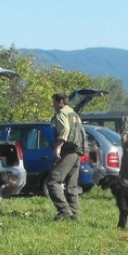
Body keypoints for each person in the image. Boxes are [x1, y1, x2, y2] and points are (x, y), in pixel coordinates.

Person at [48, 93, 85, 221]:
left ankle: (64, 210)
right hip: (78, 152)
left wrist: (58, 147)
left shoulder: (61, 114)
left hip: (67, 150)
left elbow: (65, 129)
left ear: (60, 102)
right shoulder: (74, 114)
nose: (53, 105)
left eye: (54, 102)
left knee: (53, 181)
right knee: (71, 184)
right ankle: (75, 215)